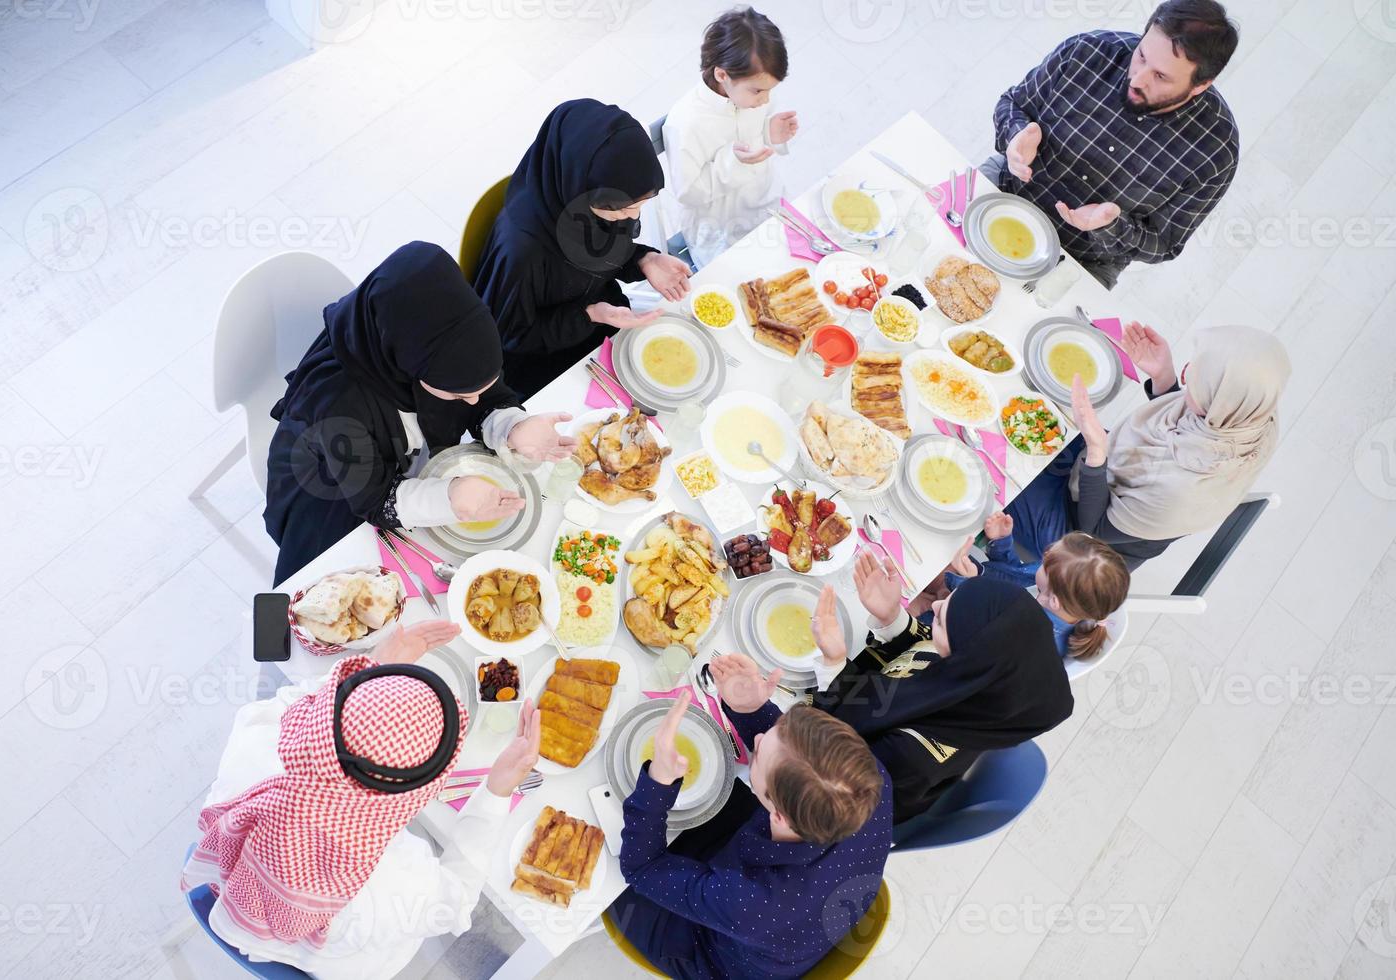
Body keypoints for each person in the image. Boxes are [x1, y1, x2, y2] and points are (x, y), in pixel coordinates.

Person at [180, 622, 542, 980]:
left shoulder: (255, 743)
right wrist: (497, 791)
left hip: (232, 892)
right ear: (418, 794)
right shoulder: (402, 879)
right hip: (340, 962)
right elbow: (457, 900)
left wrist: (372, 667)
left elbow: (293, 705)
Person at [263, 242, 575, 585]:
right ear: (406, 362)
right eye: (459, 394)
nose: (473, 402)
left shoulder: (444, 333)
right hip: (332, 488)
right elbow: (375, 499)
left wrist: (512, 425)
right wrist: (448, 497)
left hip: (400, 457)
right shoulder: (336, 405)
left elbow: (484, 389)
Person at [607, 687, 890, 979]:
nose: (758, 738)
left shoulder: (753, 903)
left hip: (704, 946)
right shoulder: (871, 779)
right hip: (775, 897)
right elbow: (797, 762)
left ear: (778, 815)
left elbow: (640, 866)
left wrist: (659, 781)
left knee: (605, 864)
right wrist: (751, 706)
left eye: (759, 754)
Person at [982, 0, 1240, 288]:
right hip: (1004, 189)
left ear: (1200, 85)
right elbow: (1013, 103)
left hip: (1083, 260)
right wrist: (1016, 134)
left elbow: (1165, 243)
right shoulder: (1087, 50)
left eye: (1161, 76)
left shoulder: (1215, 153)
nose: (1138, 79)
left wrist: (1111, 225)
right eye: (1142, 56)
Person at [1006, 321, 1290, 571]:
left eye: (1197, 376)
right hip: (1104, 472)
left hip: (1080, 545)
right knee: (1031, 414)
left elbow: (1090, 529)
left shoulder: (1179, 493)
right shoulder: (1250, 413)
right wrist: (1164, 377)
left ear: (1218, 402)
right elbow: (1176, 439)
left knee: (1002, 467)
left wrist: (1096, 449)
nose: (1187, 372)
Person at [809, 567, 1073, 824]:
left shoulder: (910, 757)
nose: (934, 606)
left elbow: (825, 759)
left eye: (940, 619)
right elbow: (923, 647)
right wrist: (892, 617)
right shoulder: (974, 681)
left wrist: (833, 664)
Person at [472, 99, 694, 399]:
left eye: (640, 206)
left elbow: (603, 253)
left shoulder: (592, 199)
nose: (631, 217)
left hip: (600, 314)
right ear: (577, 185)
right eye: (622, 209)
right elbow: (512, 335)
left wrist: (644, 258)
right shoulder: (521, 252)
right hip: (543, 354)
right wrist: (589, 314)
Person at [662, 6, 799, 266]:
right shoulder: (686, 123)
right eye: (758, 91)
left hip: (767, 203)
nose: (766, 99)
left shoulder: (749, 97)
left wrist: (769, 134)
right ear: (722, 75)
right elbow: (688, 193)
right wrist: (733, 161)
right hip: (720, 230)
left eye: (770, 90)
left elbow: (751, 136)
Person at [937, 521, 1131, 660]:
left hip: (947, 634)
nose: (1045, 554)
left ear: (1053, 600)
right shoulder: (1057, 584)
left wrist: (970, 586)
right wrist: (1001, 542)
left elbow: (970, 633)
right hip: (973, 587)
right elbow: (1014, 573)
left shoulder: (1027, 634)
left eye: (1046, 560)